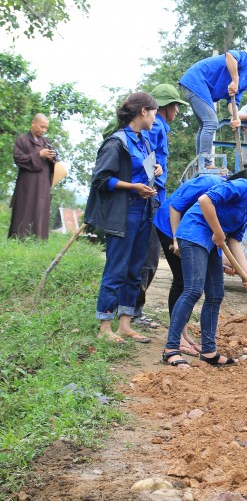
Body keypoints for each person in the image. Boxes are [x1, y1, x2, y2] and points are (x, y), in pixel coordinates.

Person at [162, 160, 247, 368]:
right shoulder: (241, 187)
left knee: (215, 294)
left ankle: (208, 351)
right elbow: (205, 200)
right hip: (194, 232)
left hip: (213, 241)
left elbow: (235, 240)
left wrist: (246, 272)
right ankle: (171, 349)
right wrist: (218, 231)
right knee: (193, 290)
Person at [85, 92, 163, 344]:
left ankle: (125, 324)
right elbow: (100, 179)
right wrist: (133, 187)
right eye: (154, 112)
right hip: (123, 214)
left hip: (143, 213)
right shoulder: (117, 142)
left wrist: (156, 170)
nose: (155, 117)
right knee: (116, 269)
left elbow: (145, 170)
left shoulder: (145, 142)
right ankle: (105, 327)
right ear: (143, 112)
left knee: (135, 270)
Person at [132, 84, 189, 329]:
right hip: (151, 199)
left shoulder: (161, 128)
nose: (177, 111)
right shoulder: (154, 127)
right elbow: (144, 157)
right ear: (165, 107)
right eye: (175, 106)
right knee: (147, 258)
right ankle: (134, 312)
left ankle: (132, 310)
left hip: (157, 197)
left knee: (149, 257)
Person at [151, 173, 225, 355]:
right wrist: (176, 238)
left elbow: (218, 231)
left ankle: (183, 334)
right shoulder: (210, 182)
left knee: (188, 282)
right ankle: (179, 338)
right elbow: (175, 206)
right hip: (170, 225)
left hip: (191, 230)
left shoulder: (232, 197)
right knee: (183, 281)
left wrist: (224, 261)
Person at [179, 51, 247, 161]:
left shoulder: (246, 83)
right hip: (196, 80)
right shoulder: (246, 60)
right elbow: (230, 55)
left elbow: (233, 104)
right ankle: (205, 163)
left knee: (205, 125)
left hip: (195, 86)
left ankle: (200, 162)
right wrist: (235, 80)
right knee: (211, 122)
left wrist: (237, 118)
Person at [9, 114, 55, 239]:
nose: (43, 130)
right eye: (42, 127)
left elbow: (55, 163)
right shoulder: (22, 140)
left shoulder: (46, 142)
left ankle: (38, 240)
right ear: (33, 123)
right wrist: (38, 154)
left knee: (40, 210)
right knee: (24, 208)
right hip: (27, 184)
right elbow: (19, 159)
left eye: (46, 128)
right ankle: (19, 238)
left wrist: (52, 158)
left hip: (43, 184)